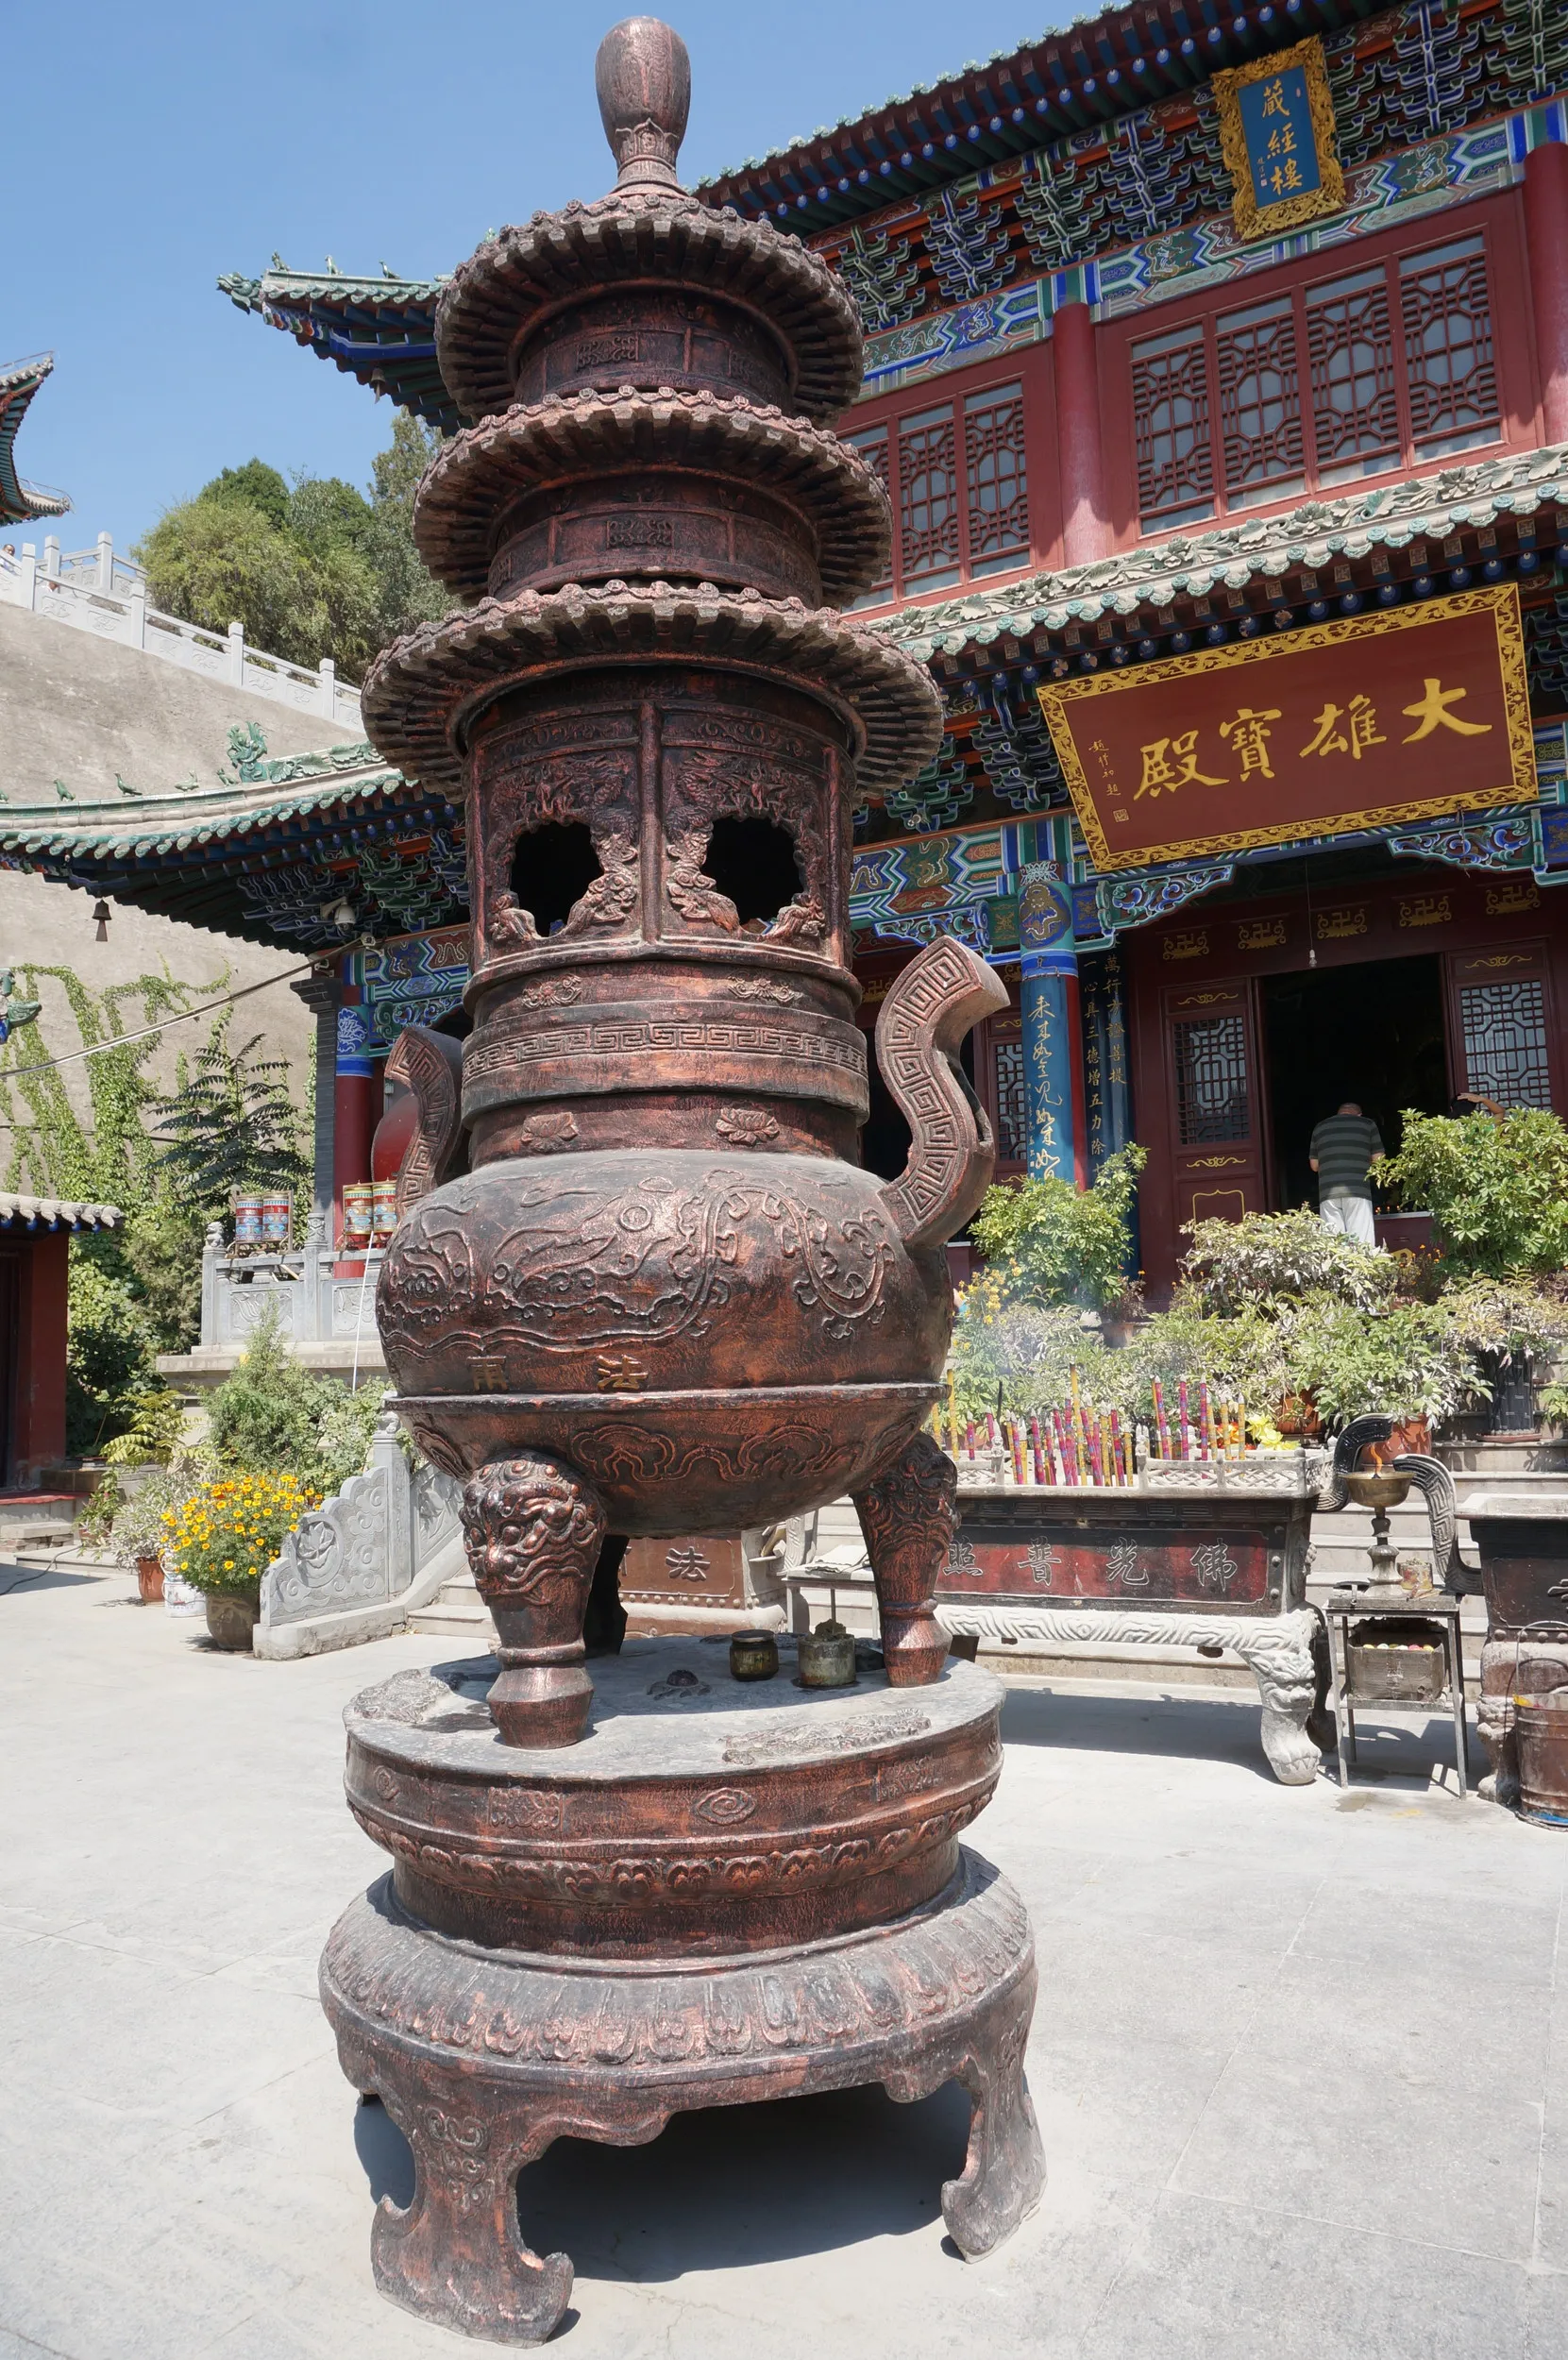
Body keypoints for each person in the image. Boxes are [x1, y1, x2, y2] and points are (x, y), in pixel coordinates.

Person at [1308, 1101, 1385, 1246]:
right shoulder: (1367, 1124)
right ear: (1359, 1115)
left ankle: (1337, 1269)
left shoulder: (1320, 1127)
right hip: (1358, 1190)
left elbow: (1314, 1165)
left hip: (1328, 1192)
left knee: (1334, 1244)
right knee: (1361, 1242)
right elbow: (1379, 1160)